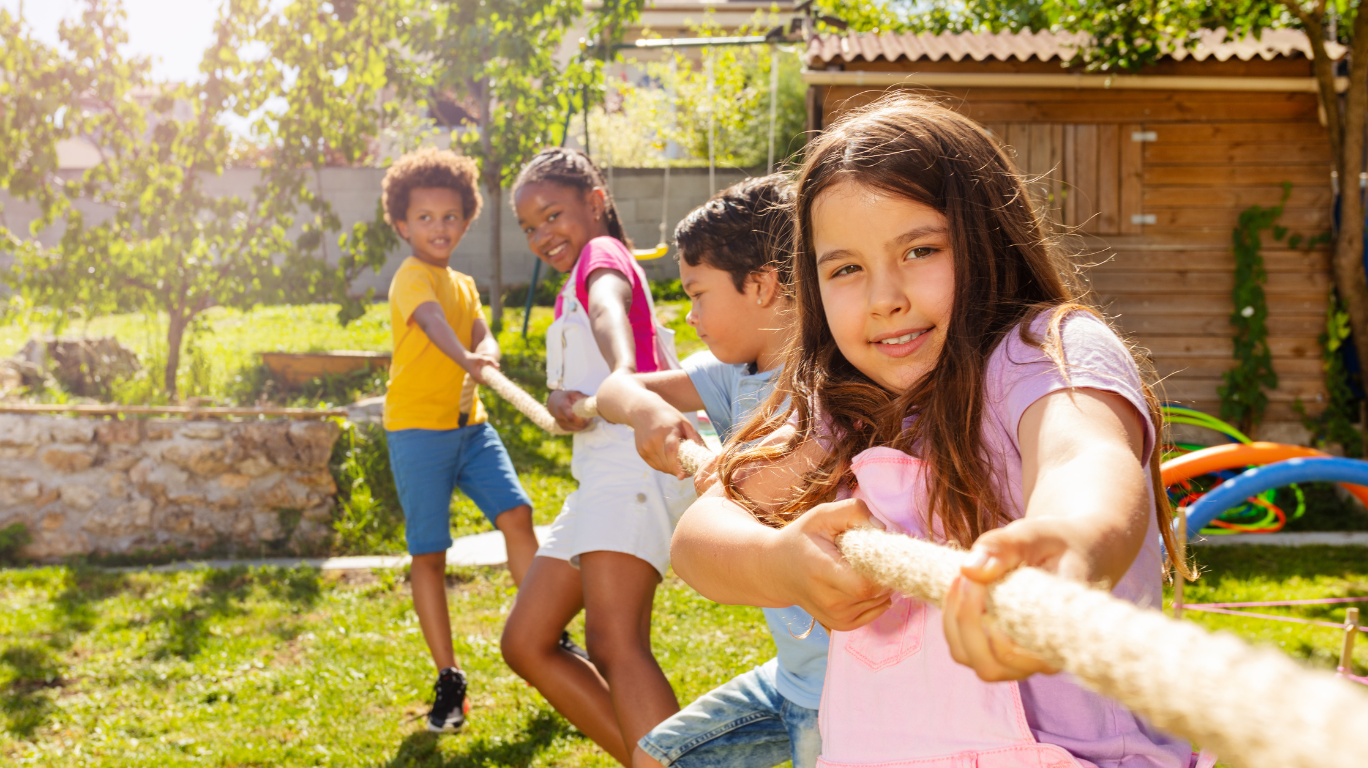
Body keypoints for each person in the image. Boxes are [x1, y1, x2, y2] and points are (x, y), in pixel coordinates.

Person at [670, 95, 1209, 768]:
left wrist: (1068, 542)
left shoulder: (1043, 353)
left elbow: (1085, 455)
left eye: (920, 250)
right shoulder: (843, 407)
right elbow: (698, 539)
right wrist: (777, 561)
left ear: (989, 240)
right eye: (845, 269)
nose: (883, 296)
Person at [591, 175, 827, 768]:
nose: (689, 316)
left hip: (841, 688)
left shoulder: (832, 385)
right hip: (793, 677)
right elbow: (615, 390)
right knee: (657, 756)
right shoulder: (732, 374)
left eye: (697, 294)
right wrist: (647, 411)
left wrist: (735, 470)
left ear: (763, 285)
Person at [500, 147, 694, 766]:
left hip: (633, 464)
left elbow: (611, 307)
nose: (541, 235)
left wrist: (621, 373)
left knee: (614, 643)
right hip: (600, 475)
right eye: (529, 227)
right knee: (527, 642)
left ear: (595, 201)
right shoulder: (569, 288)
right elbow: (580, 371)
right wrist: (563, 398)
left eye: (552, 215)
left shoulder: (601, 256)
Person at [380, 147, 539, 733]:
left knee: (517, 513)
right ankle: (449, 676)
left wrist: (489, 353)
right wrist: (470, 357)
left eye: (449, 217)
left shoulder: (465, 284)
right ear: (402, 224)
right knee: (429, 551)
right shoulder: (411, 278)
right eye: (424, 218)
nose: (438, 228)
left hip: (470, 428)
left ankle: (546, 628)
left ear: (466, 220)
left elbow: (479, 330)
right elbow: (435, 326)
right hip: (417, 430)